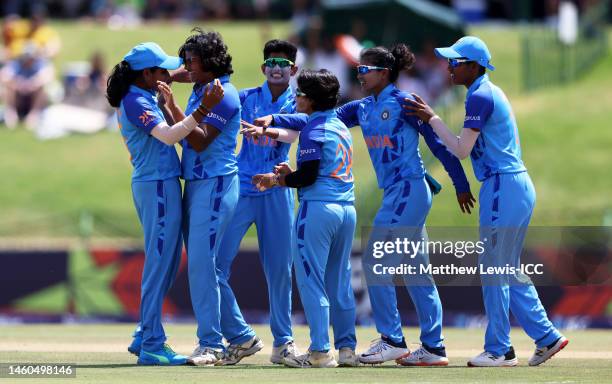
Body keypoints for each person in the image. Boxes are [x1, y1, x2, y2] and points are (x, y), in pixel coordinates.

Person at [247, 44, 474, 367]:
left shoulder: (406, 103)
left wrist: (461, 184)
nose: (360, 75)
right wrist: (273, 119)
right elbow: (316, 115)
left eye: (365, 70)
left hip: (409, 189)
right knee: (415, 270)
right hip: (398, 192)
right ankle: (434, 346)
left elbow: (438, 145)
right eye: (358, 69)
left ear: (384, 73)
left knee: (374, 259)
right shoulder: (363, 108)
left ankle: (393, 339)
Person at [403, 35, 568, 367]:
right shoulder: (485, 91)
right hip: (513, 186)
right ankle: (546, 336)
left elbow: (461, 150)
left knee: (494, 268)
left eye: (455, 62)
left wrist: (432, 119)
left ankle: (499, 349)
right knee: (505, 267)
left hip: (502, 186)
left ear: (474, 66)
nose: (448, 68)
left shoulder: (479, 95)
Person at [106, 41, 223, 365]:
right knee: (159, 263)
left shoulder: (140, 92)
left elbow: (171, 77)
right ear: (146, 74)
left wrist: (180, 77)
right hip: (155, 185)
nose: (167, 74)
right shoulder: (134, 99)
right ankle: (153, 344)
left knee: (168, 261)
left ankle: (146, 333)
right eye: (161, 70)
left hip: (160, 184)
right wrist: (202, 109)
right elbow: (170, 136)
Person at [252, 69, 358, 368]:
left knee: (311, 280)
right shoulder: (340, 125)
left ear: (310, 100)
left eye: (299, 94)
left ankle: (321, 351)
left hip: (318, 210)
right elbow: (315, 169)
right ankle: (347, 349)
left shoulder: (313, 129)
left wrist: (278, 181)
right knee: (340, 281)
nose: (295, 98)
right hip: (346, 209)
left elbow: (308, 176)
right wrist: (289, 174)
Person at [214, 39, 301, 366]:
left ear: (293, 70)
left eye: (284, 64)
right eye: (271, 63)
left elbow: (293, 136)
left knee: (279, 269)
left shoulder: (298, 102)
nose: (277, 68)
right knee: (214, 265)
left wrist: (270, 129)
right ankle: (239, 336)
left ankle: (283, 343)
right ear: (264, 68)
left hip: (277, 189)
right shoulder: (245, 97)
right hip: (242, 185)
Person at [176, 28, 242, 367]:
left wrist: (171, 104)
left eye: (192, 61)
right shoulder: (201, 87)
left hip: (215, 185)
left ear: (210, 62)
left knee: (202, 266)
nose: (187, 66)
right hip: (199, 184)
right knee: (207, 268)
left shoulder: (225, 94)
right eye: (185, 61)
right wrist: (166, 80)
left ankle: (211, 344)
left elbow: (200, 140)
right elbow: (182, 75)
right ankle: (242, 336)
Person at [0, 43, 53, 129]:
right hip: (18, 95)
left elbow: (48, 77)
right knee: (7, 88)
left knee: (43, 89)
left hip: (34, 95)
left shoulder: (40, 64)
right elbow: (4, 76)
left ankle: (34, 113)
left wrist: (33, 83)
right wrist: (17, 83)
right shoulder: (16, 63)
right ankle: (11, 112)